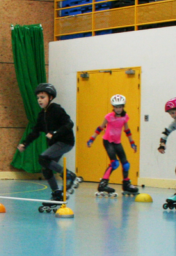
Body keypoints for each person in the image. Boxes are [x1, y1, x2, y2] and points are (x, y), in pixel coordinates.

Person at [17, 83, 82, 211]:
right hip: (56, 144)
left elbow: (69, 123)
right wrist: (25, 143)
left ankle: (70, 176)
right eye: (38, 98)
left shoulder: (56, 109)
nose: (39, 100)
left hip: (65, 141)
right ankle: (57, 195)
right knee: (45, 168)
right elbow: (35, 131)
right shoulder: (42, 115)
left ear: (50, 98)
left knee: (43, 158)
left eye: (42, 97)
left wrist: (55, 133)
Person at [86, 94, 139, 197]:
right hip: (108, 141)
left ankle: (126, 184)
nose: (118, 109)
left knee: (126, 164)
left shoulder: (125, 117)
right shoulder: (109, 117)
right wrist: (92, 139)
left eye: (120, 107)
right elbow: (100, 128)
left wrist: (132, 143)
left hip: (117, 142)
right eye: (116, 107)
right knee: (114, 163)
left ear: (123, 107)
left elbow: (127, 130)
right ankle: (103, 184)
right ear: (113, 107)